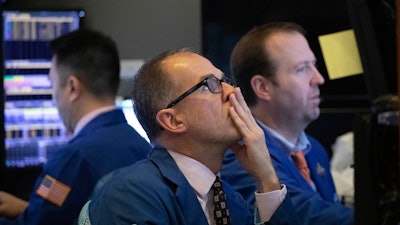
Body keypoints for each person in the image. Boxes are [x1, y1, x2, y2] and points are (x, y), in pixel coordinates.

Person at [83, 48, 299, 225]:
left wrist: (266, 177)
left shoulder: (231, 201)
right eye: (210, 84)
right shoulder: (132, 196)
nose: (233, 93)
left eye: (226, 82)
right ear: (173, 120)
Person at [0, 29, 152, 225]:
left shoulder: (72, 159)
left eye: (53, 85)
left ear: (72, 87)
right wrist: (27, 209)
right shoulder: (142, 146)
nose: (54, 97)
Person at [221, 22, 354, 225]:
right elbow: (303, 217)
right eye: (302, 69)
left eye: (314, 66)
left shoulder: (313, 149)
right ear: (262, 87)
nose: (319, 79)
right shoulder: (241, 154)